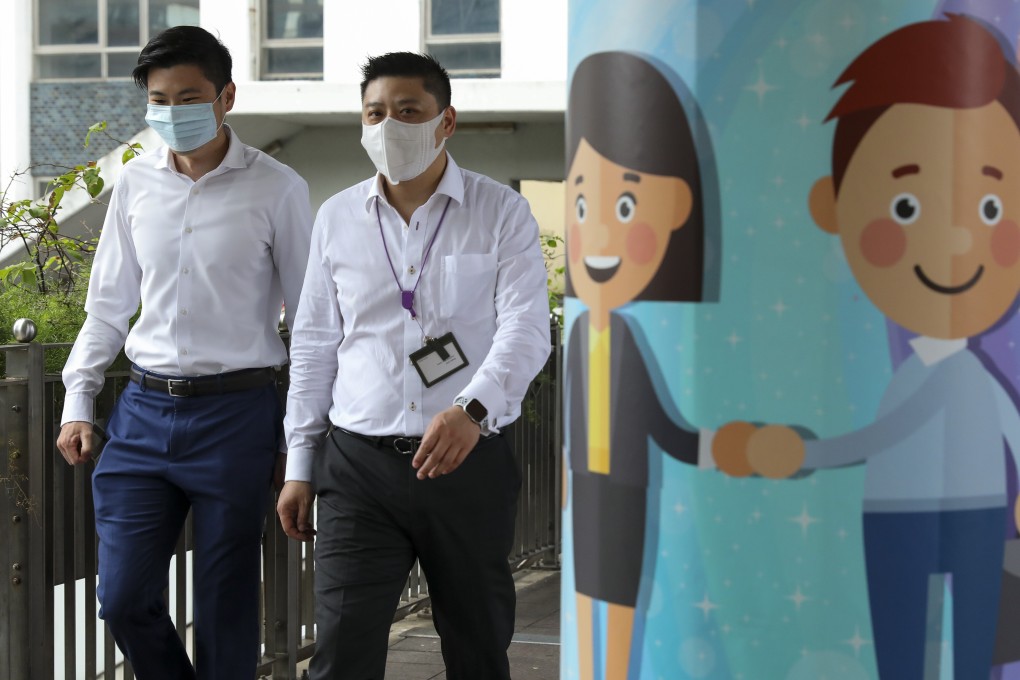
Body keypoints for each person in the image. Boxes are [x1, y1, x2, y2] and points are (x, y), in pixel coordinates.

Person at [713, 14, 1020, 679]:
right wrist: (798, 452)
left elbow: (889, 439)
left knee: (971, 644)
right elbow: (884, 440)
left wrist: (803, 453)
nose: (959, 241)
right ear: (835, 208)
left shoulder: (947, 378)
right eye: (906, 207)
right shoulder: (919, 379)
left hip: (978, 513)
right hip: (897, 515)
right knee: (902, 644)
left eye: (989, 207)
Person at [276, 52, 551, 680]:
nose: (388, 127)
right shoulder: (337, 217)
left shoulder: (499, 212)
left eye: (408, 112)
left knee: (477, 644)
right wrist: (299, 464)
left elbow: (527, 327)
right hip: (357, 467)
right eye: (375, 113)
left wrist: (471, 410)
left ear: (445, 121)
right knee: (342, 650)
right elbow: (316, 343)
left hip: (466, 461)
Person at [55, 25, 313, 680]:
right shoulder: (136, 186)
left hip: (239, 415)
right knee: (122, 597)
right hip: (141, 412)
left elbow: (311, 319)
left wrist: (303, 441)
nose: (173, 112)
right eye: (160, 100)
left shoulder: (278, 187)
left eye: (189, 96)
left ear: (227, 95)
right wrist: (78, 400)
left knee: (225, 604)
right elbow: (108, 305)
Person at [564, 50, 718, 679]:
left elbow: (661, 421)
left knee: (622, 601)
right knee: (583, 598)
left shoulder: (630, 336)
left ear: (677, 206)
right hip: (588, 486)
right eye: (582, 204)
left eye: (625, 208)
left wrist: (719, 448)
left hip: (628, 488)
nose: (596, 233)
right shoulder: (578, 336)